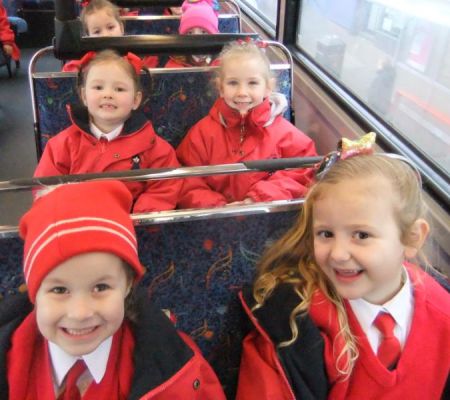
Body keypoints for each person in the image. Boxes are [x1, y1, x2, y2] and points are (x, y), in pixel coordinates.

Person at [236, 151, 450, 399]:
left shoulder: (443, 316)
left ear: (412, 238)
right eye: (326, 234)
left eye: (361, 235)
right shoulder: (290, 323)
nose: (338, 254)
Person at [0, 180, 226, 399]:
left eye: (101, 287)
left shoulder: (178, 370)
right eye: (59, 290)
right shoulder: (9, 362)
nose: (80, 313)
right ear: (34, 292)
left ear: (127, 285)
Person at [35, 50, 181, 213]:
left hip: (129, 223)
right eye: (98, 87)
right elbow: (45, 191)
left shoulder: (156, 150)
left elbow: (163, 190)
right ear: (84, 96)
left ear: (135, 100)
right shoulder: (61, 145)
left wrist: (135, 220)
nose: (108, 94)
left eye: (119, 89)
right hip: (76, 221)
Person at [176, 39, 317, 208]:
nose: (242, 92)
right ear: (220, 88)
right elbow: (186, 179)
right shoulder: (202, 134)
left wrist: (257, 199)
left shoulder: (286, 135)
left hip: (265, 216)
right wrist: (217, 208)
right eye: (233, 83)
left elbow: (303, 172)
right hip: (214, 218)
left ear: (268, 87)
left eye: (252, 83)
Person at [63, 0, 158, 72]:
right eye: (97, 32)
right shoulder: (85, 60)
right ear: (88, 36)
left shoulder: (132, 57)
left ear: (121, 28)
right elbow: (68, 72)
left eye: (110, 27)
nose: (105, 35)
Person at [165, 0, 220, 68]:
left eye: (203, 32)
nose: (197, 39)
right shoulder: (176, 64)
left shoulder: (221, 62)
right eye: (190, 33)